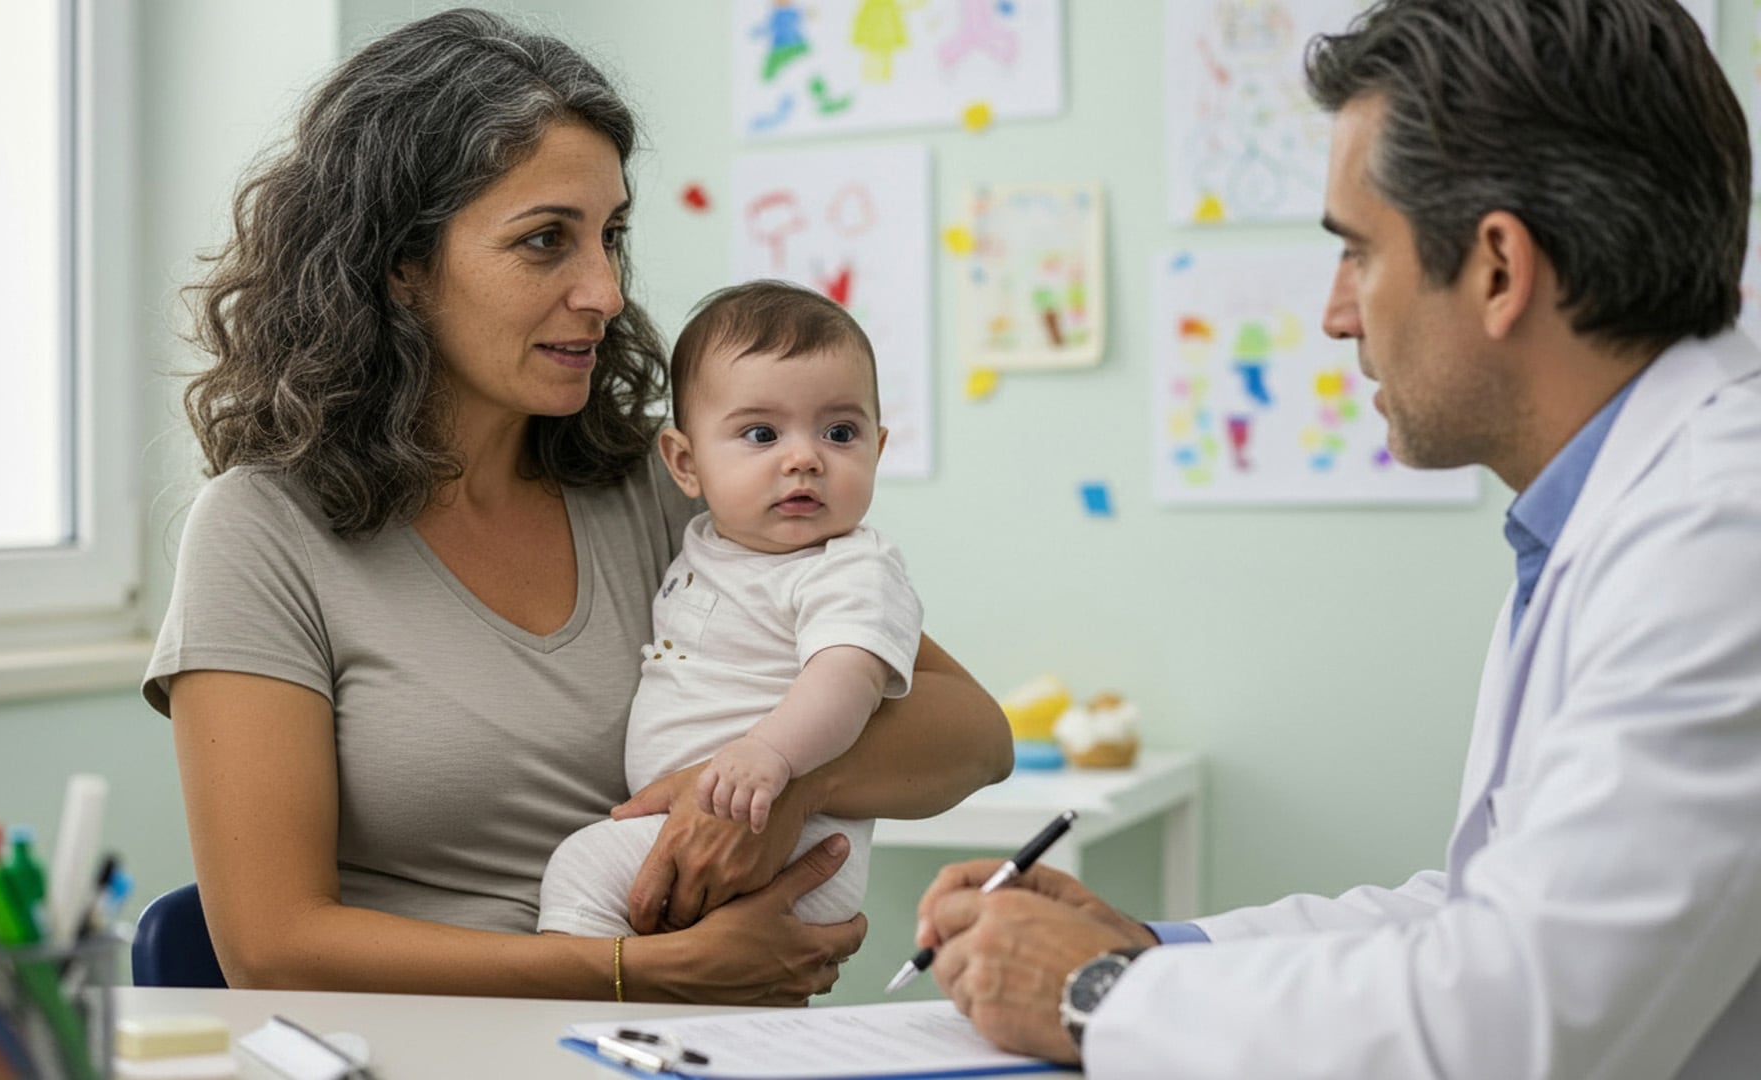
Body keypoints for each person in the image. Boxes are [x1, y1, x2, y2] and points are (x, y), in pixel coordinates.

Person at [914, 1, 1761, 1076]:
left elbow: (1514, 1019)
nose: (1334, 314)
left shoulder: (1722, 536)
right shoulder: (1626, 510)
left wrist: (1092, 995)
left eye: (1357, 253)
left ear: (1499, 268)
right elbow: (1476, 919)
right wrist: (1145, 951)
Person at [143, 8, 1012, 1003]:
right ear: (402, 268)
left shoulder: (658, 486)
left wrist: (781, 784)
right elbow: (274, 946)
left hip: (691, 1040)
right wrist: (637, 970)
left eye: (612, 235)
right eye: (546, 241)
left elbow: (975, 735)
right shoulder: (261, 534)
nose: (604, 289)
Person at [538, 281, 921, 938]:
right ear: (686, 464)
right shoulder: (709, 544)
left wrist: (770, 752)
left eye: (839, 432)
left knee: (580, 870)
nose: (804, 458)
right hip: (710, 818)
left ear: (877, 451)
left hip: (785, 834)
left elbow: (847, 677)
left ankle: (563, 1011)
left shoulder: (850, 568)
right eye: (761, 433)